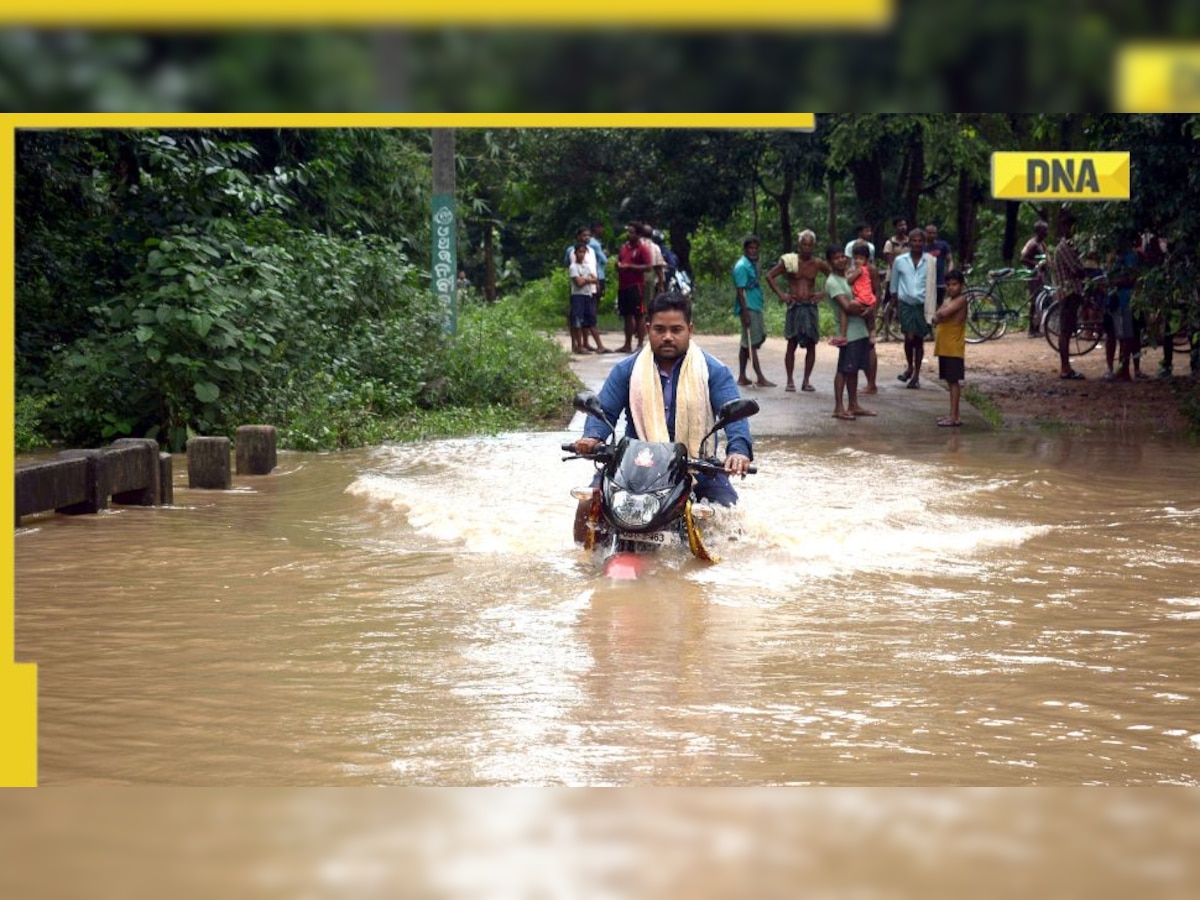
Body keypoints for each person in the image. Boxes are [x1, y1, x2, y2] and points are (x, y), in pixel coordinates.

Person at [571, 292, 754, 538]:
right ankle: (586, 567)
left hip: (696, 468)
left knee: (732, 527)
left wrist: (738, 451)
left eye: (676, 329)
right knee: (587, 505)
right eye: (660, 329)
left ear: (690, 329)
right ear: (648, 329)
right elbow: (604, 411)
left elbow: (734, 413)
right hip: (634, 467)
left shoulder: (714, 371)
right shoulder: (627, 370)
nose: (667, 336)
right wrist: (592, 437)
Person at [764, 228, 829, 392]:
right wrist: (782, 294)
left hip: (810, 306)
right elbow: (770, 276)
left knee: (812, 343)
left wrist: (823, 293)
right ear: (799, 245)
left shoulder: (818, 263)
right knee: (791, 342)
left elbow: (835, 276)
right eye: (804, 244)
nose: (807, 248)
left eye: (810, 245)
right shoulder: (790, 261)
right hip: (795, 306)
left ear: (813, 246)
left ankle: (806, 380)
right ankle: (790, 380)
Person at [825, 246, 875, 421]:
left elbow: (865, 295)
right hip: (849, 332)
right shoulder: (832, 282)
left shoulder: (847, 277)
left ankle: (853, 404)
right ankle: (838, 407)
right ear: (830, 261)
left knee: (853, 370)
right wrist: (866, 307)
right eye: (836, 257)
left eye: (842, 257)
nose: (841, 260)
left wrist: (867, 306)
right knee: (843, 369)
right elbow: (847, 306)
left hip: (859, 328)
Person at [890, 227, 937, 389]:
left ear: (924, 243)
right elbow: (894, 284)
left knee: (919, 340)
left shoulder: (931, 261)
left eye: (920, 241)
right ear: (909, 243)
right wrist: (894, 304)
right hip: (905, 304)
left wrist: (933, 308)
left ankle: (916, 374)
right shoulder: (900, 261)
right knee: (909, 337)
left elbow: (932, 285)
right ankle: (909, 366)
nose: (917, 244)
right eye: (914, 241)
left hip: (922, 304)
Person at [732, 235, 775, 387]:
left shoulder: (752, 264)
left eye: (756, 248)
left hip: (755, 304)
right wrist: (745, 312)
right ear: (745, 249)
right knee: (751, 342)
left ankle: (742, 376)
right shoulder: (742, 266)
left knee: (747, 342)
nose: (753, 251)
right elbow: (740, 291)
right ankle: (759, 377)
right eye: (750, 248)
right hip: (748, 307)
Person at [1050, 209, 1088, 380]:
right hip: (1068, 293)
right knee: (1065, 332)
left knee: (1068, 330)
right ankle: (1065, 368)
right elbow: (1076, 269)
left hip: (1069, 293)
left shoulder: (1068, 246)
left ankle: (1066, 367)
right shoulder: (1064, 248)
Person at [932, 269, 968, 426]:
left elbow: (941, 315)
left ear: (961, 285)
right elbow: (936, 317)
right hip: (945, 346)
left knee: (953, 381)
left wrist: (938, 315)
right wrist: (938, 315)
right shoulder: (948, 299)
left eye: (954, 284)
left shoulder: (961, 300)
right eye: (948, 285)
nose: (951, 287)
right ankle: (952, 414)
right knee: (949, 380)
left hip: (953, 347)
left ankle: (954, 417)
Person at [1103, 232, 1140, 382]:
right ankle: (1113, 368)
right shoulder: (1112, 256)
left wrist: (1113, 282)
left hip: (1124, 300)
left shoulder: (1130, 256)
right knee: (1112, 335)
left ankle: (1123, 369)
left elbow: (1131, 278)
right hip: (1113, 299)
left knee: (1125, 336)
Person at [614, 222, 653, 353]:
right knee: (626, 315)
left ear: (638, 234)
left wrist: (630, 267)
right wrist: (618, 266)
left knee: (638, 314)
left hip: (636, 286)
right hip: (623, 285)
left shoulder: (642, 249)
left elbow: (648, 267)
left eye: (631, 232)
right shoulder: (624, 248)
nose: (628, 234)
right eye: (628, 232)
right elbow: (619, 261)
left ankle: (640, 343)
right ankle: (627, 343)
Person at [831, 241, 879, 347]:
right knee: (866, 317)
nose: (857, 261)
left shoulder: (863, 269)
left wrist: (847, 275)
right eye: (856, 258)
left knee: (846, 308)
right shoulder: (860, 269)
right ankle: (870, 333)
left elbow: (849, 281)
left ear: (866, 259)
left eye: (860, 259)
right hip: (865, 298)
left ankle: (843, 335)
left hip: (864, 299)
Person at [568, 243, 611, 355]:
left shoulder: (586, 267)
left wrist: (585, 279)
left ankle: (600, 346)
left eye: (583, 252)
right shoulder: (573, 267)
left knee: (591, 320)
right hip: (577, 296)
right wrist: (588, 280)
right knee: (577, 321)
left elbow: (594, 279)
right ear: (575, 253)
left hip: (587, 295)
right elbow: (579, 283)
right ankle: (579, 345)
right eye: (579, 252)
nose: (581, 254)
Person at [1020, 220, 1050, 336]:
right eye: (1045, 230)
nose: (1047, 232)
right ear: (1038, 231)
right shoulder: (1032, 244)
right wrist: (1036, 264)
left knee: (1040, 302)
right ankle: (1032, 329)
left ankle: (1036, 327)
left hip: (1040, 276)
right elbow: (1023, 259)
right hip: (1034, 276)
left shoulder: (1041, 243)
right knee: (1034, 301)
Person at [924, 223, 954, 309]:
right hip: (927, 280)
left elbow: (950, 260)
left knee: (940, 302)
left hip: (941, 280)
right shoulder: (922, 248)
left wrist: (950, 273)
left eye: (934, 233)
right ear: (925, 233)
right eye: (929, 233)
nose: (932, 235)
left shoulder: (943, 245)